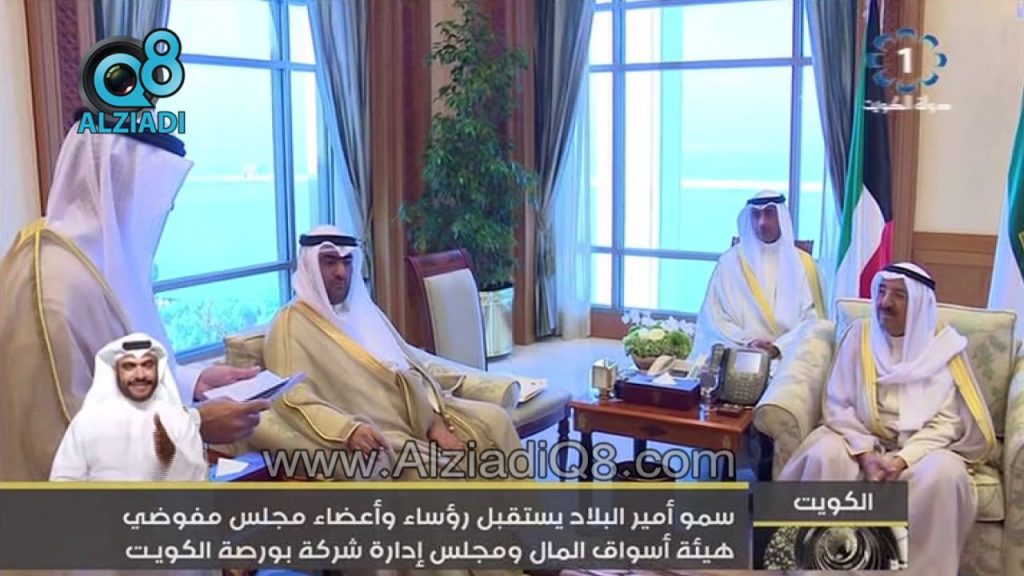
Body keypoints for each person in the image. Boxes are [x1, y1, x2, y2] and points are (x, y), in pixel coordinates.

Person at [0, 111, 270, 481]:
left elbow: (110, 376)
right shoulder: (51, 285)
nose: (166, 208)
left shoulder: (97, 261)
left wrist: (194, 383)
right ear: (118, 182)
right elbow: (64, 440)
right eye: (155, 192)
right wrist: (194, 425)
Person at [246, 225, 522, 481]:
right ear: (309, 266)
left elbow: (409, 367)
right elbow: (291, 397)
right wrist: (347, 429)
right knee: (447, 477)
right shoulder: (290, 323)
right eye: (329, 262)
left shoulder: (364, 311)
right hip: (384, 434)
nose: (341, 272)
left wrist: (435, 420)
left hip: (424, 417)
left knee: (495, 423)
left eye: (347, 262)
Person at [778, 263, 997, 576]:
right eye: (881, 291)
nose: (884, 302)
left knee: (945, 475)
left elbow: (948, 422)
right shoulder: (860, 336)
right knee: (822, 454)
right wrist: (866, 453)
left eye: (898, 295)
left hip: (922, 448)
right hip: (858, 436)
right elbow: (839, 403)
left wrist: (902, 460)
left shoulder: (945, 348)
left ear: (919, 303)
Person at [689, 190, 825, 362]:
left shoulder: (804, 265)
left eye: (769, 213)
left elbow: (813, 321)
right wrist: (749, 342)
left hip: (789, 360)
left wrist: (778, 347)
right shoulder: (729, 263)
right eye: (755, 215)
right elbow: (714, 319)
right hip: (739, 354)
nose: (762, 222)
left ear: (781, 217)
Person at [50, 334, 208, 481]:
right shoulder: (86, 423)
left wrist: (173, 458)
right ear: (115, 371)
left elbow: (198, 481)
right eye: (129, 366)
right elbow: (64, 482)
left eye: (147, 365)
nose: (140, 375)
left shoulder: (177, 420)